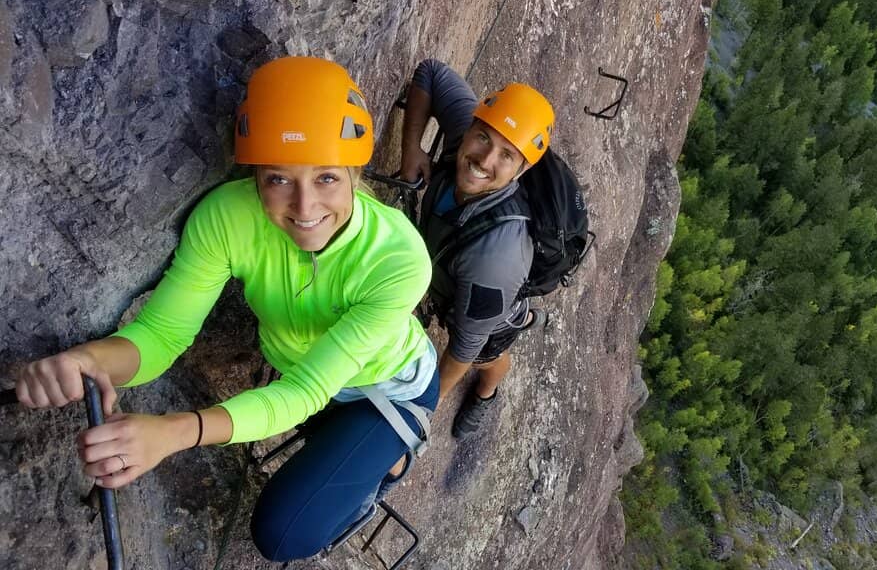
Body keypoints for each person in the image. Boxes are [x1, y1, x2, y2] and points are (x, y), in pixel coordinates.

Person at [14, 56, 437, 562]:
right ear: (255, 174)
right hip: (305, 376)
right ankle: (365, 456)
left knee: (282, 537)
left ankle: (386, 467)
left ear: (355, 173)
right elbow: (163, 334)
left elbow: (303, 393)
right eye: (278, 179)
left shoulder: (399, 260)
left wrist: (173, 432)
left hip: (387, 386)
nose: (304, 209)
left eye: (327, 178)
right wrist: (87, 363)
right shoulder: (227, 217)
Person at [399, 59, 554, 438]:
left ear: (519, 171)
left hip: (490, 312)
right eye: (484, 137)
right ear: (470, 126)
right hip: (448, 276)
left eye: (506, 155)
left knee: (489, 357)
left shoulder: (495, 259)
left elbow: (462, 350)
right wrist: (411, 148)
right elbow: (431, 73)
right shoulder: (461, 144)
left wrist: (416, 417)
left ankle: (487, 393)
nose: (485, 160)